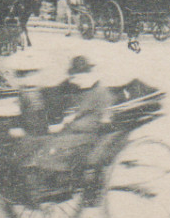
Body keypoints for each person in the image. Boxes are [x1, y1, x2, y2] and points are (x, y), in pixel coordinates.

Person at [28, 55, 115, 190]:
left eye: (79, 77)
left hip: (88, 134)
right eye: (74, 78)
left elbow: (104, 118)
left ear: (88, 75)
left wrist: (72, 122)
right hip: (74, 129)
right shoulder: (81, 89)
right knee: (45, 141)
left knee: (55, 146)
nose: (76, 81)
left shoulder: (100, 92)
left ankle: (60, 180)